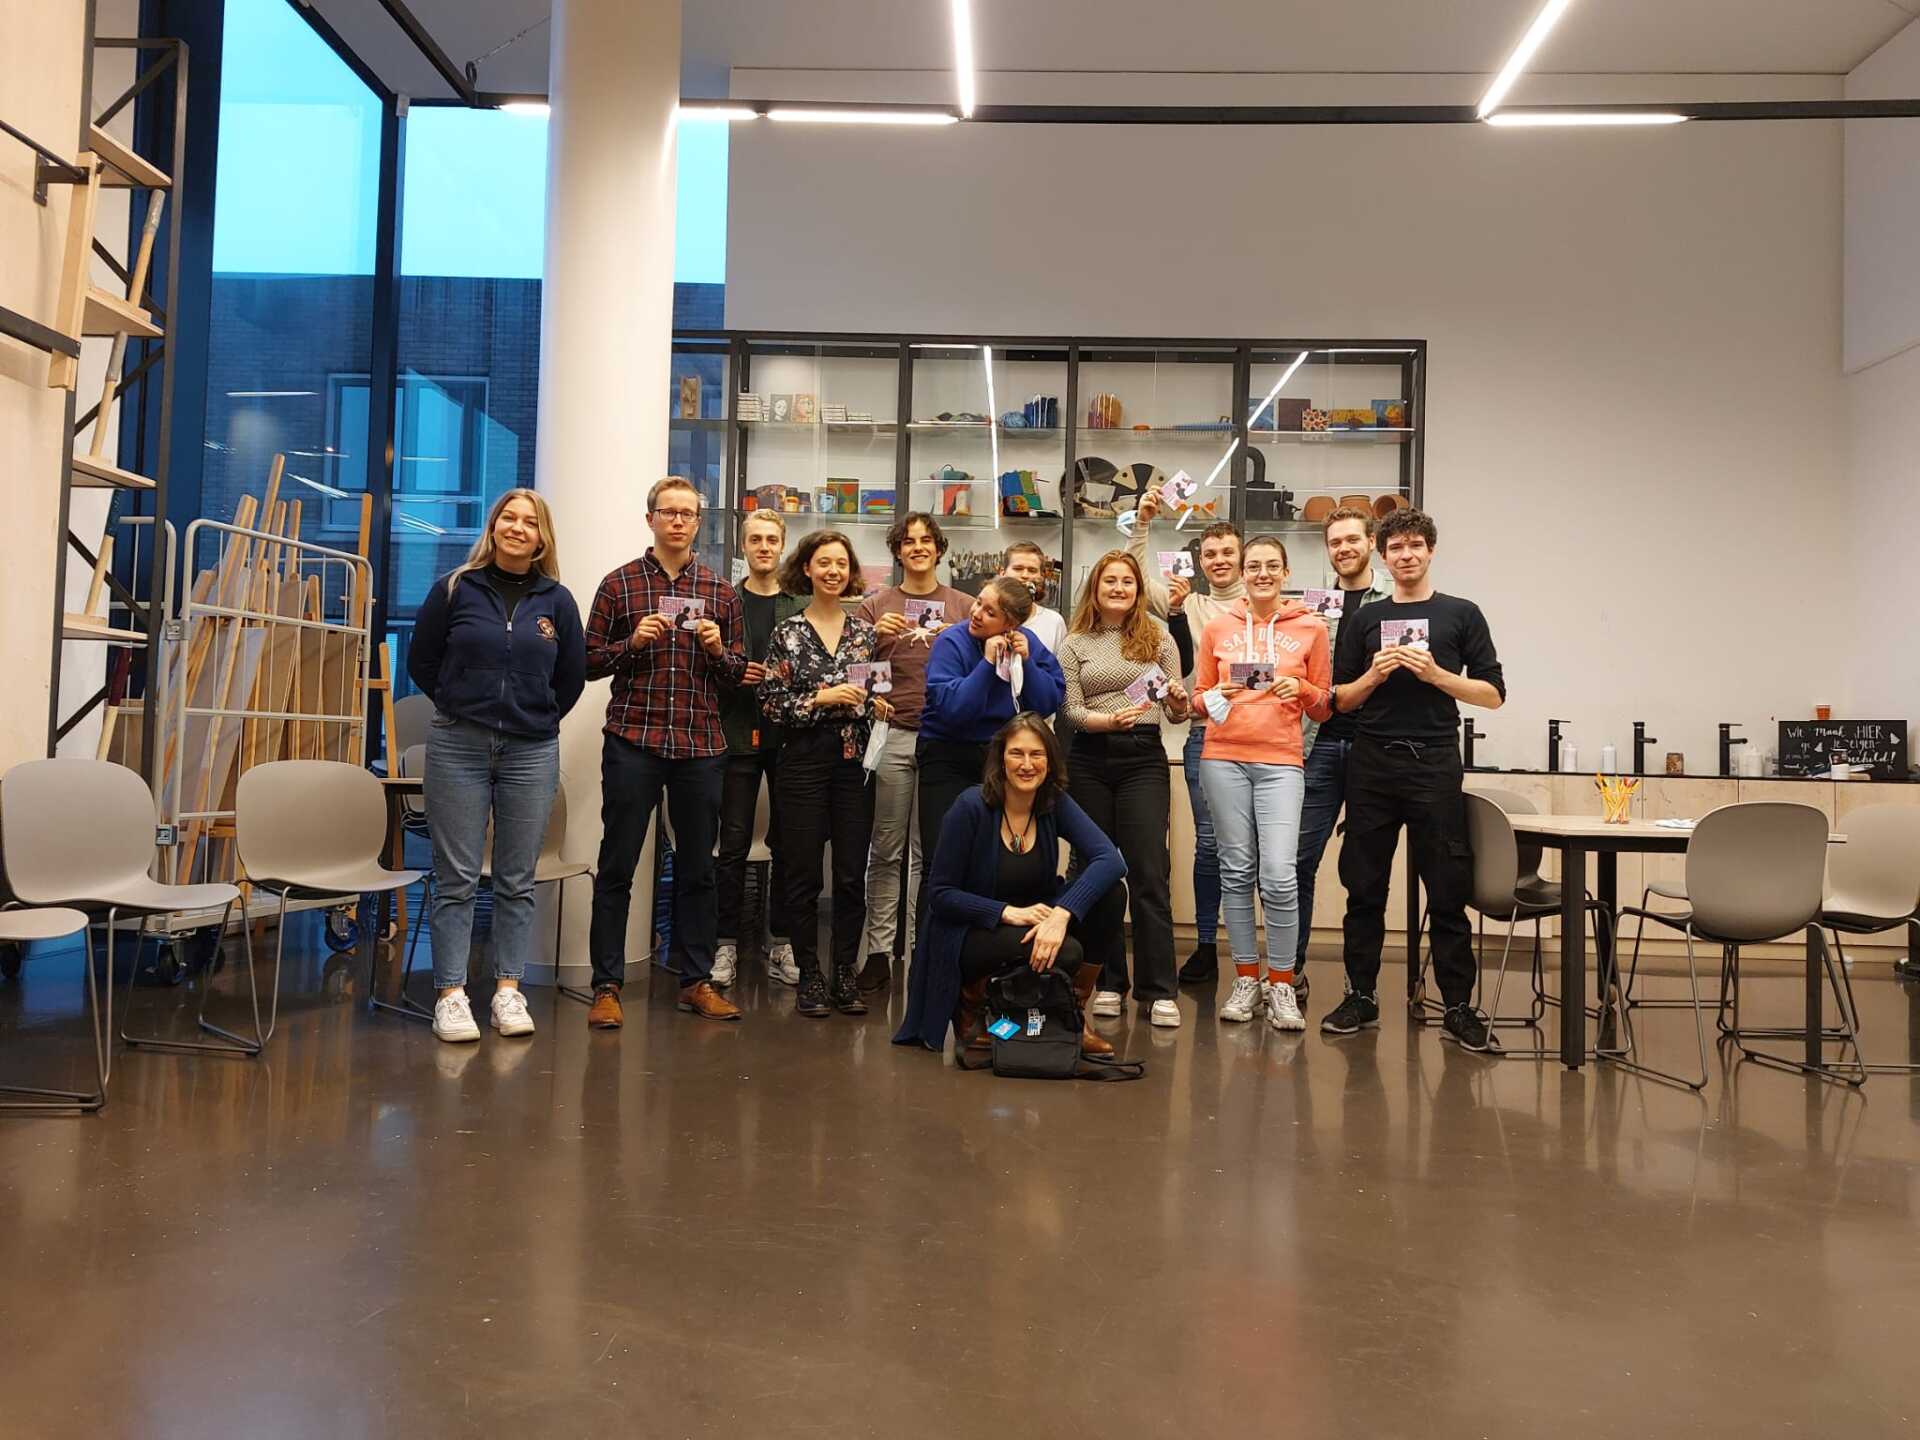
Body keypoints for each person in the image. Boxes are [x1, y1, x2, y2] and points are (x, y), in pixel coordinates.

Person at [1320, 508, 1506, 1051]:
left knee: (1446, 889)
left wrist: (1437, 675)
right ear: (1383, 555)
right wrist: (1374, 675)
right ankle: (1361, 996)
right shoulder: (1366, 619)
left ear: (1430, 551)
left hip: (1435, 761)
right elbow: (1338, 700)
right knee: (1363, 887)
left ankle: (1458, 1006)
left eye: (1415, 546)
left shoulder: (1461, 614)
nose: (1406, 555)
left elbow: (1494, 694)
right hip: (1372, 762)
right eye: (1396, 547)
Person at [408, 488, 587, 1044]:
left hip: (531, 750)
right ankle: (451, 995)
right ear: (493, 527)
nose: (517, 527)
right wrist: (460, 703)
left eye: (529, 522)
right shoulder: (455, 588)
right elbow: (421, 660)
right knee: (456, 876)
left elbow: (571, 677)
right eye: (509, 517)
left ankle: (508, 991)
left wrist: (536, 715)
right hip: (457, 744)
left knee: (516, 878)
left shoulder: (557, 601)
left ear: (541, 538)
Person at [584, 476, 747, 1029]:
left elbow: (738, 674)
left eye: (687, 513)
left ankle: (695, 981)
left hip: (700, 745)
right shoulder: (619, 584)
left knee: (699, 869)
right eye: (668, 512)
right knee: (618, 864)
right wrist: (631, 644)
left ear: (699, 522)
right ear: (650, 518)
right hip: (633, 740)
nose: (678, 521)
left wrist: (718, 650)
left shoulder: (721, 591)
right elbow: (586, 662)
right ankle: (606, 985)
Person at [893, 713, 1128, 1058]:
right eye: (1017, 753)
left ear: (1050, 760)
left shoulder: (1053, 801)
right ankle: (972, 1002)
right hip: (972, 931)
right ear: (1000, 758)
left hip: (1035, 918)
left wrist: (1061, 914)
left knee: (1112, 893)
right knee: (1067, 952)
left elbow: (1110, 860)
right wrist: (1006, 912)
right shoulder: (969, 806)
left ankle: (1071, 1013)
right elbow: (941, 895)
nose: (1027, 765)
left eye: (1037, 754)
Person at [1192, 535, 1332, 1032]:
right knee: (1235, 871)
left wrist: (1305, 688)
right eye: (1254, 566)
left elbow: (1324, 707)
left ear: (1286, 572)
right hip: (1223, 758)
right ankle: (1246, 979)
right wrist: (1217, 693)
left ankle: (1282, 983)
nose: (1262, 574)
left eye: (1272, 566)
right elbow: (1197, 699)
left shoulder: (1312, 628)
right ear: (1243, 573)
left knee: (1278, 875)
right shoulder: (1218, 628)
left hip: (1280, 761)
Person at [756, 530, 888, 1018]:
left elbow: (874, 695)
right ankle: (809, 972)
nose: (833, 571)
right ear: (807, 569)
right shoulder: (787, 633)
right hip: (802, 763)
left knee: (852, 875)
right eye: (824, 563)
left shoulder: (865, 634)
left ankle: (845, 973)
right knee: (803, 873)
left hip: (854, 765)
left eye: (841, 563)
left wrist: (877, 705)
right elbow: (771, 703)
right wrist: (820, 699)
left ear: (851, 573)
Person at [1058, 550, 1191, 1029]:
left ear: (1138, 590)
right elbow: (1070, 710)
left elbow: (1177, 710)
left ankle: (1160, 990)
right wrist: (1106, 721)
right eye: (1109, 580)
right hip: (1089, 758)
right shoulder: (1074, 644)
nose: (1118, 588)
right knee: (1097, 870)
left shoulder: (1159, 637)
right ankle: (1109, 982)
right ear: (1094, 589)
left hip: (1143, 760)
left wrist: (1180, 701)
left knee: (1149, 872)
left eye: (1127, 581)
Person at [852, 512, 972, 994]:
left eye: (926, 540)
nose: (918, 547)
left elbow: (981, 671)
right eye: (908, 541)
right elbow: (852, 673)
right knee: (885, 848)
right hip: (893, 733)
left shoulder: (964, 606)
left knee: (933, 853)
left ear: (939, 549)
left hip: (946, 739)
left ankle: (926, 949)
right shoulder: (874, 605)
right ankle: (879, 951)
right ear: (897, 551)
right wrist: (873, 637)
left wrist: (960, 640)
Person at [1127, 494, 1239, 982]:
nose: (1219, 561)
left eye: (1227, 552)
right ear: (1200, 561)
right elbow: (1130, 574)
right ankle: (1208, 946)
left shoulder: (1260, 603)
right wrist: (1143, 523)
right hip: (1202, 733)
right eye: (1210, 554)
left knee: (1263, 854)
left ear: (1242, 557)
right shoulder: (1186, 602)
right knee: (1209, 845)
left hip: (1264, 739)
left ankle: (1268, 961)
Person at [915, 576, 1065, 930]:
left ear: (1011, 624)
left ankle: (987, 944)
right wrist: (986, 663)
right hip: (947, 756)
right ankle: (931, 949)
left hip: (999, 761)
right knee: (941, 860)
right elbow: (955, 710)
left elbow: (1047, 702)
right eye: (978, 602)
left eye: (990, 611)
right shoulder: (952, 641)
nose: (976, 613)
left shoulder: (1026, 641)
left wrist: (1027, 662)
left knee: (991, 860)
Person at [1291, 505, 1393, 1004]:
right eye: (1335, 542)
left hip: (1377, 748)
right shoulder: (1313, 607)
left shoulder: (1395, 602)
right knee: (1296, 863)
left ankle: (1360, 986)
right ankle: (1290, 975)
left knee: (1365, 872)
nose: (1344, 548)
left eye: (1353, 539)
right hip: (1319, 744)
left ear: (1371, 542)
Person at [714, 510, 805, 990]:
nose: (764, 547)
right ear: (743, 545)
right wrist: (733, 673)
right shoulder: (725, 600)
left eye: (772, 539)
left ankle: (783, 942)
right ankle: (725, 943)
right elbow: (706, 668)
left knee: (787, 843)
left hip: (790, 738)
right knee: (732, 844)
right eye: (755, 539)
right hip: (737, 735)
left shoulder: (801, 603)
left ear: (783, 545)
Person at [1001, 541, 1066, 653]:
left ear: (1041, 576)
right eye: (1018, 568)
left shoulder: (1054, 622)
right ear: (1002, 573)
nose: (1025, 575)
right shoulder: (986, 617)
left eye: (1032, 570)